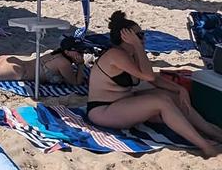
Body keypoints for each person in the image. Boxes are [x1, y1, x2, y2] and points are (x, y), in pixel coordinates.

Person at [86, 10, 222, 158]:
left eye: (142, 34)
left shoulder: (131, 54)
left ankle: (210, 131)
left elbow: (153, 79)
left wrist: (179, 89)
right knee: (160, 102)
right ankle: (205, 146)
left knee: (169, 96)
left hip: (121, 102)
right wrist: (138, 46)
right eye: (139, 35)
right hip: (102, 110)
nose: (143, 38)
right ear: (126, 37)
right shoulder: (116, 55)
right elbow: (148, 75)